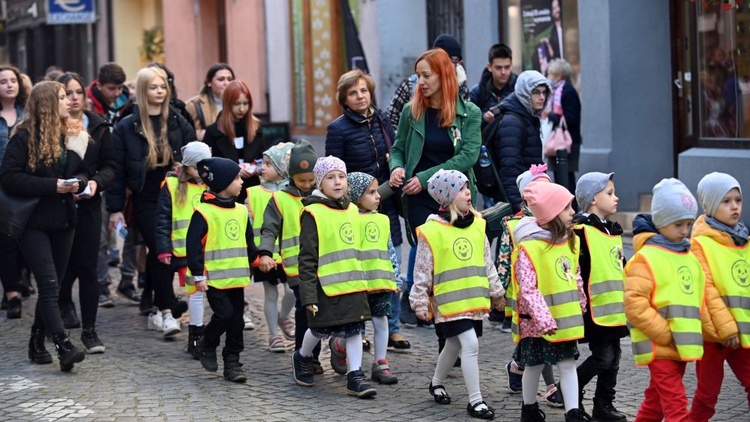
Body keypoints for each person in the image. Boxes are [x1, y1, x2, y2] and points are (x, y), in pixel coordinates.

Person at [388, 48, 481, 347]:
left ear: (443, 75)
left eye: (426, 75)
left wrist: (425, 179)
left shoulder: (469, 114)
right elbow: (398, 148)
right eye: (418, 76)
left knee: (454, 266)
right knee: (434, 264)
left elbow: (468, 156)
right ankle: (448, 339)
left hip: (455, 199)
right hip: (417, 201)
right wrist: (397, 167)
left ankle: (454, 336)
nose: (421, 82)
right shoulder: (411, 111)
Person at [0, 81, 89, 371]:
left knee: (56, 285)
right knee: (49, 285)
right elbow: (10, 177)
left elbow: (82, 171)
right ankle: (63, 344)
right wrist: (54, 186)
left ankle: (37, 341)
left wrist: (81, 183)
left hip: (64, 221)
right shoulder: (23, 137)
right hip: (33, 223)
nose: (69, 102)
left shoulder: (71, 133)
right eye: (62, 98)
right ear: (48, 104)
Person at [107, 67, 196, 337]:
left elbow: (196, 157)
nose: (160, 91)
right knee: (160, 249)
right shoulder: (127, 125)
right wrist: (114, 210)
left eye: (163, 86)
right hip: (146, 195)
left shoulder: (178, 120)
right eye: (153, 87)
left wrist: (187, 167)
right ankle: (167, 310)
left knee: (169, 251)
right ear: (143, 92)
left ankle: (158, 304)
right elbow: (117, 169)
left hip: (176, 193)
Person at [410, 170, 504, 420]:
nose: (468, 193)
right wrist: (419, 300)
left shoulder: (478, 224)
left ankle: (436, 382)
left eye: (467, 188)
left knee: (453, 344)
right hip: (448, 301)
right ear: (449, 197)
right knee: (470, 345)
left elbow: (487, 262)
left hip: (473, 300)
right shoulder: (432, 231)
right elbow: (422, 269)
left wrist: (496, 292)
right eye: (462, 189)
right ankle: (476, 401)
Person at [324, 69, 407, 350]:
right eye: (353, 93)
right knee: (361, 263)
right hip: (356, 206)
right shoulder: (338, 129)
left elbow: (396, 150)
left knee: (389, 260)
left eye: (363, 90)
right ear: (344, 99)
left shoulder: (382, 120)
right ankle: (359, 326)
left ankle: (392, 327)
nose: (360, 96)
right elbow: (334, 171)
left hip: (387, 200)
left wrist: (394, 169)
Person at [291, 156, 376, 398]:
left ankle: (355, 376)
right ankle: (302, 356)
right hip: (325, 286)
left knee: (355, 329)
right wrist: (308, 294)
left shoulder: (352, 209)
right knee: (319, 329)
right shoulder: (312, 213)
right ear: (320, 183)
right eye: (330, 177)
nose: (337, 182)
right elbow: (307, 258)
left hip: (353, 283)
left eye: (341, 176)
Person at [624, 178, 704, 422]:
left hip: (680, 344)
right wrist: (665, 333)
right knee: (676, 405)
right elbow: (634, 302)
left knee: (655, 404)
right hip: (660, 346)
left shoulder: (688, 255)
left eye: (689, 224)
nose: (684, 230)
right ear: (661, 221)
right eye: (678, 224)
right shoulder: (646, 257)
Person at [510, 182, 589, 422]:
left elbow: (573, 275)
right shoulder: (529, 248)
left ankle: (573, 411)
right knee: (533, 365)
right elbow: (528, 289)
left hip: (564, 320)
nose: (572, 212)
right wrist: (544, 319)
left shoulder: (568, 242)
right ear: (552, 214)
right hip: (537, 324)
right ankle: (529, 408)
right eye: (566, 208)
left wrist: (581, 301)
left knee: (567, 364)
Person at [54, 72, 116, 355]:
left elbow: (110, 165)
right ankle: (62, 307)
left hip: (89, 206)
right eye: (68, 93)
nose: (74, 97)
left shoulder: (100, 125)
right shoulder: (51, 126)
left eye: (79, 91)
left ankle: (90, 331)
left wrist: (95, 183)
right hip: (57, 208)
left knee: (89, 267)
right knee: (61, 268)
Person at [497, 165, 563, 408]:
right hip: (522, 295)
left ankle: (516, 366)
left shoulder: (554, 222)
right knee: (536, 339)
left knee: (531, 341)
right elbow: (503, 260)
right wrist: (499, 293)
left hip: (549, 290)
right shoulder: (513, 224)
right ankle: (551, 386)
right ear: (527, 195)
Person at [188, 157, 257, 383]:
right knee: (224, 315)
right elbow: (194, 247)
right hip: (214, 279)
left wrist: (260, 259)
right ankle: (208, 342)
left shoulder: (240, 210)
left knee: (236, 321)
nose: (241, 182)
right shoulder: (204, 212)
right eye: (237, 178)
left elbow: (249, 243)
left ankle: (233, 362)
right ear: (223, 183)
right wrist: (198, 274)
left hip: (237, 278)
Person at [689, 172, 750, 422]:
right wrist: (726, 330)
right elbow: (707, 290)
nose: (734, 206)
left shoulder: (744, 240)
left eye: (737, 199)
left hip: (742, 330)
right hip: (714, 335)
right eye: (726, 201)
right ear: (709, 206)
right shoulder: (699, 244)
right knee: (707, 395)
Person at [258, 140, 321, 370]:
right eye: (301, 180)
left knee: (319, 313)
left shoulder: (322, 196)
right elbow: (269, 229)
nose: (307, 185)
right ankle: (303, 356)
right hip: (295, 269)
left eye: (311, 180)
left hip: (323, 268)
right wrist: (265, 252)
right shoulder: (280, 199)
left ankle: (314, 355)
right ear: (290, 176)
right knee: (305, 311)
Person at [333, 172, 400, 384]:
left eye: (377, 191)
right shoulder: (348, 220)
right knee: (356, 326)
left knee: (381, 322)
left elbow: (389, 251)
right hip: (357, 285)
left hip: (380, 282)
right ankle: (340, 347)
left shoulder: (382, 220)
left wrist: (395, 277)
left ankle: (381, 363)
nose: (378, 196)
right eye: (371, 192)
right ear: (356, 196)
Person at [571, 172, 628, 421]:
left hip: (613, 307)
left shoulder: (611, 231)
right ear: (593, 199)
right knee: (603, 357)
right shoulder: (581, 231)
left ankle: (603, 405)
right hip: (594, 308)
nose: (616, 198)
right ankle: (572, 389)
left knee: (614, 357)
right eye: (609, 193)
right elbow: (576, 269)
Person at [154, 141, 211, 354]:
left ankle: (203, 335)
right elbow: (162, 219)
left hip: (211, 251)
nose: (202, 172)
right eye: (197, 167)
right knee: (195, 293)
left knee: (206, 294)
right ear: (187, 166)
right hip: (184, 252)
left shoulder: (213, 186)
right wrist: (163, 249)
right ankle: (196, 337)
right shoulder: (172, 187)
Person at [246, 142, 296, 353]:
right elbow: (248, 222)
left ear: (283, 168)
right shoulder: (254, 193)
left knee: (292, 291)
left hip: (290, 254)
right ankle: (274, 335)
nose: (262, 168)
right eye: (262, 163)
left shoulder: (292, 193)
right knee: (270, 294)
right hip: (264, 255)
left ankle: (284, 318)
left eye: (268, 164)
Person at [488, 70, 550, 212]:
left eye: (544, 92)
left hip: (528, 195)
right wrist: (518, 206)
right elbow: (509, 169)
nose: (541, 97)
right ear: (524, 93)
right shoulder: (513, 122)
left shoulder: (528, 116)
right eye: (536, 92)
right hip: (520, 199)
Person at [386, 34, 470, 130]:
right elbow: (390, 118)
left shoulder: (461, 88)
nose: (451, 65)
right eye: (447, 60)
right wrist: (406, 140)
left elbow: (466, 124)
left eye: (455, 61)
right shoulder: (411, 85)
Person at [203, 79, 265, 205]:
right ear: (227, 104)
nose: (242, 109)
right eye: (237, 104)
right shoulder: (213, 132)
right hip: (224, 193)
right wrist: (235, 170)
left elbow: (263, 158)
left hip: (251, 191)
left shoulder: (256, 128)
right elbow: (206, 166)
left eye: (246, 104)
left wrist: (255, 167)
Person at [0, 64, 28, 319]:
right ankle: (12, 293)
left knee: (21, 240)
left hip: (23, 184)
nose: (9, 84)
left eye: (13, 80)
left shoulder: (27, 114)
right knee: (5, 240)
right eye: (3, 81)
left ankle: (16, 282)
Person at [545, 59, 581, 192]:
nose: (548, 77)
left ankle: (572, 209)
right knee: (559, 179)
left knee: (566, 179)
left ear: (558, 75)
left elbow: (571, 119)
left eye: (550, 74)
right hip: (556, 142)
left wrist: (550, 115)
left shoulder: (568, 92)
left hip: (567, 142)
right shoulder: (555, 91)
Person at [469, 43, 518, 129]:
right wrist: (483, 117)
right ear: (489, 67)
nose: (503, 72)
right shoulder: (477, 92)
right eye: (498, 68)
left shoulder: (519, 90)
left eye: (507, 67)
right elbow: (468, 121)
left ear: (511, 66)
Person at [185, 63, 234, 141]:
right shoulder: (194, 105)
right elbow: (187, 133)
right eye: (221, 79)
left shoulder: (238, 102)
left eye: (230, 79)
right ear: (209, 82)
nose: (226, 83)